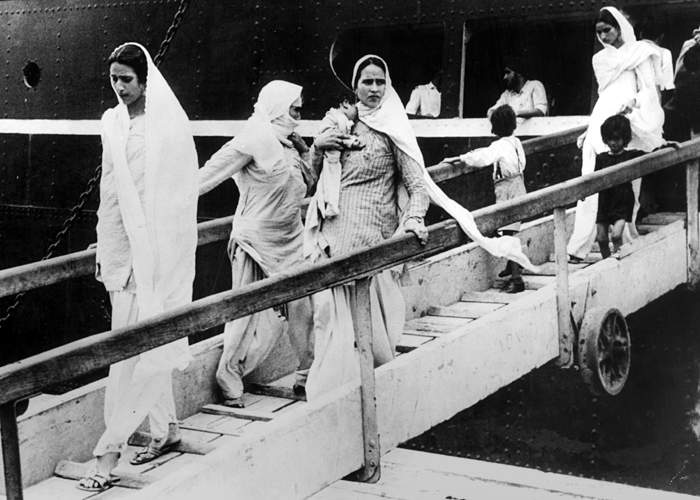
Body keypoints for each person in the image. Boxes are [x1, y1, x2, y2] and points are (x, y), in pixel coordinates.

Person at [305, 54, 539, 401]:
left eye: (379, 82)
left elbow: (418, 188)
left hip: (371, 240)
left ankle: (371, 397)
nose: (373, 88)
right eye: (366, 81)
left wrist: (414, 218)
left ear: (388, 87)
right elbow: (310, 182)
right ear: (354, 86)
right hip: (332, 238)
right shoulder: (336, 125)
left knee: (372, 333)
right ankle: (331, 398)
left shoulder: (393, 129)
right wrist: (316, 147)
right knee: (331, 325)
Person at [78, 42, 198, 492]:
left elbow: (181, 193)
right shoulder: (111, 122)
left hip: (160, 255)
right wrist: (107, 245)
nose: (119, 87)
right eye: (114, 79)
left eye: (127, 79)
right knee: (137, 344)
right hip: (121, 254)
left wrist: (159, 251)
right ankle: (166, 430)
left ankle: (106, 456)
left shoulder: (167, 127)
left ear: (146, 80)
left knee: (132, 354)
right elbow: (110, 191)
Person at [198, 80, 314, 408]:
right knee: (245, 312)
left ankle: (306, 375)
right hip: (254, 240)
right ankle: (229, 377)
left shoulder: (291, 145)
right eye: (294, 108)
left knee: (302, 308)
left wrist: (307, 152)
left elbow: (305, 185)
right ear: (277, 106)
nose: (299, 115)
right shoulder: (254, 139)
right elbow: (206, 177)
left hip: (291, 239)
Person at [566, 6, 665, 263]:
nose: (603, 37)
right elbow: (604, 92)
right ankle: (579, 246)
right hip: (602, 118)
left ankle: (625, 235)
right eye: (599, 33)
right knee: (592, 176)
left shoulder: (639, 53)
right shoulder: (600, 59)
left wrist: (633, 103)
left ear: (619, 27)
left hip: (627, 118)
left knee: (628, 177)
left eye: (607, 30)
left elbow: (648, 89)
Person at [442, 104, 527, 293]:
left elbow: (482, 158)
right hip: (519, 184)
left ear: (495, 126)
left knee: (507, 233)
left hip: (506, 189)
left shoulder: (499, 146)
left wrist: (460, 158)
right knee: (511, 229)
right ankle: (511, 266)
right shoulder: (516, 142)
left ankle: (517, 278)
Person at [594, 115, 646, 258]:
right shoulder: (601, 158)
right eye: (610, 139)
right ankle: (607, 262)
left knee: (616, 235)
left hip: (622, 201)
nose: (613, 143)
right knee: (601, 238)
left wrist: (667, 145)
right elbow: (593, 180)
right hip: (605, 201)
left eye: (617, 139)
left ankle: (619, 261)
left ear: (624, 139)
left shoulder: (631, 155)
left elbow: (652, 154)